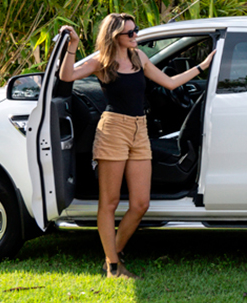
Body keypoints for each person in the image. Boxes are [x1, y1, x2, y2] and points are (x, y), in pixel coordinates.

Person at [56, 14, 214, 278]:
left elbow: (171, 83)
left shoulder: (138, 57)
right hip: (113, 129)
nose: (134, 36)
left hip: (139, 130)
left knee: (140, 203)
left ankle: (112, 257)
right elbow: (67, 75)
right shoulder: (101, 62)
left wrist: (202, 66)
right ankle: (114, 267)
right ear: (114, 36)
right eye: (129, 33)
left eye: (135, 31)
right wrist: (71, 45)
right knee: (110, 202)